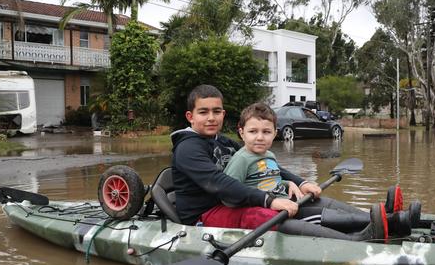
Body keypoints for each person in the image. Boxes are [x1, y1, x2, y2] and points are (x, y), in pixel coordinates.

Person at [171, 85, 412, 241]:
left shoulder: (222, 141)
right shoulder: (188, 148)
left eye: (216, 111)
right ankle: (355, 239)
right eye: (204, 112)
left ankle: (385, 219)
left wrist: (300, 181)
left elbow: (265, 163)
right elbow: (218, 183)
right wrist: (270, 199)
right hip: (206, 214)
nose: (211, 117)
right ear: (190, 116)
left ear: (224, 114)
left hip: (235, 202)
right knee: (274, 214)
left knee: (309, 199)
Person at [222, 102, 416, 241]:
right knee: (316, 215)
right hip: (270, 213)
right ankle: (366, 233)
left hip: (288, 202)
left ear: (275, 133)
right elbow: (230, 196)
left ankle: (388, 217)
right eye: (253, 131)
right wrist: (268, 200)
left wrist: (289, 183)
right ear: (241, 132)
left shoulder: (269, 155)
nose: (259, 137)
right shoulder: (241, 159)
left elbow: (267, 179)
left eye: (266, 132)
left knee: (320, 204)